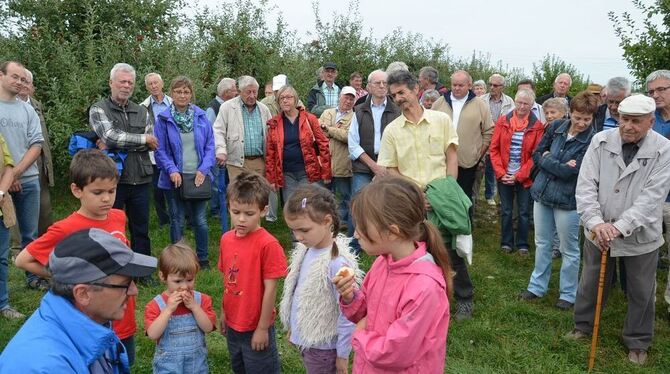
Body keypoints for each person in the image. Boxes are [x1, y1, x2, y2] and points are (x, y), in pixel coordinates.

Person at [567, 95, 670, 366]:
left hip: (640, 233)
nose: (628, 126)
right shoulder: (600, 141)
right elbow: (586, 183)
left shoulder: (664, 150)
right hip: (598, 229)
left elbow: (652, 198)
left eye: (636, 121)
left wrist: (619, 227)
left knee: (641, 289)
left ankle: (638, 341)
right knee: (589, 280)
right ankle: (582, 325)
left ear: (651, 121)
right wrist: (596, 222)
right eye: (625, 119)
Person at [14, 149, 141, 365]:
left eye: (112, 191)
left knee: (123, 363)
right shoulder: (65, 228)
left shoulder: (118, 216)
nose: (107, 198)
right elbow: (23, 260)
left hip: (122, 312)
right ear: (76, 190)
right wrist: (70, 276)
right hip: (91, 317)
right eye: (98, 192)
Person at [332, 176, 451, 373]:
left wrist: (359, 334)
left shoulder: (425, 287)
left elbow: (396, 353)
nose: (356, 234)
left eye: (362, 227)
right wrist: (350, 296)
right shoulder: (383, 263)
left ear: (392, 232)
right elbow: (368, 312)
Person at [0, 228, 157, 373]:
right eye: (125, 285)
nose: (134, 291)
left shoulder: (90, 321)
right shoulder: (49, 367)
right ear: (83, 294)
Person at [519, 92, 598, 310]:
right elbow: (537, 154)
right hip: (542, 193)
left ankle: (568, 294)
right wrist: (557, 164)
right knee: (542, 242)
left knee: (568, 248)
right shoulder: (555, 128)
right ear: (570, 112)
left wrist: (548, 160)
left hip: (568, 200)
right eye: (578, 117)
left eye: (587, 119)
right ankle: (536, 287)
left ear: (593, 118)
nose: (581, 123)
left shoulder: (593, 140)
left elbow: (574, 172)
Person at [280, 184, 358, 374]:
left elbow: (347, 312)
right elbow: (300, 293)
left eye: (304, 230)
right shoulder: (307, 249)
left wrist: (342, 354)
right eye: (293, 230)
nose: (298, 237)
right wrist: (295, 327)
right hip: (309, 340)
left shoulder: (336, 263)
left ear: (327, 221)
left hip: (325, 347)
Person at [218, 171, 288, 373]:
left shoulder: (268, 245)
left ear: (264, 211)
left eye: (249, 214)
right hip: (233, 324)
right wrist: (225, 313)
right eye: (235, 211)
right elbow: (228, 281)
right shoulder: (226, 239)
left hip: (256, 325)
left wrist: (263, 328)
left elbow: (270, 289)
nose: (241, 219)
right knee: (238, 368)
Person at [89, 63, 157, 265]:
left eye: (130, 82)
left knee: (141, 228)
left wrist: (119, 142)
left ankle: (142, 269)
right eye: (122, 81)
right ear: (111, 83)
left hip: (140, 179)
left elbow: (153, 142)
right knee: (111, 227)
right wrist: (141, 140)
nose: (126, 86)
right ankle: (114, 268)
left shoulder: (142, 111)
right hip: (112, 181)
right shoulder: (98, 108)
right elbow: (110, 136)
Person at [154, 76, 215, 269]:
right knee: (177, 220)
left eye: (186, 91)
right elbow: (159, 149)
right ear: (172, 94)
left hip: (198, 177)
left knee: (201, 221)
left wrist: (204, 169)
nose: (182, 95)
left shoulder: (201, 116)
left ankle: (203, 259)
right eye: (178, 91)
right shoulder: (163, 119)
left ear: (191, 94)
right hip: (175, 180)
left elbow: (210, 146)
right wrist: (172, 170)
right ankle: (178, 260)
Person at [0, 61, 45, 290]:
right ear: (1, 76)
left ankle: (33, 278)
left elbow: (36, 144)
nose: (19, 82)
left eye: (22, 79)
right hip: (0, 185)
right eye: (15, 77)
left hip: (28, 179)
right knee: (3, 240)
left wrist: (15, 173)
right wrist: (6, 179)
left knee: (31, 233)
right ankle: (3, 292)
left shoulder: (27, 108)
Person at [213, 75, 277, 222]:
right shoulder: (228, 107)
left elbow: (270, 134)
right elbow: (218, 131)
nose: (252, 96)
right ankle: (237, 235)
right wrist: (221, 150)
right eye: (248, 92)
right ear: (240, 91)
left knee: (257, 200)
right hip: (236, 162)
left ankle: (255, 235)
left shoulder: (263, 109)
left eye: (255, 92)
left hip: (259, 162)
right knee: (239, 199)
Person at [145, 243, 216, 374]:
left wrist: (195, 307)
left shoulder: (202, 300)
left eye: (189, 280)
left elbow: (208, 328)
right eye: (178, 281)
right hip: (168, 368)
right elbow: (153, 334)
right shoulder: (156, 305)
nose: (184, 286)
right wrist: (168, 310)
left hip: (196, 367)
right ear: (163, 277)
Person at [489, 89, 544, 255]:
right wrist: (500, 172)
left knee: (523, 211)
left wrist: (519, 176)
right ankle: (506, 242)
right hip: (504, 174)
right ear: (514, 102)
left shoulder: (537, 126)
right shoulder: (503, 121)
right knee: (506, 210)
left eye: (525, 103)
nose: (521, 106)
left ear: (531, 105)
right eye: (519, 102)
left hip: (524, 177)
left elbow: (535, 155)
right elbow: (494, 149)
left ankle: (522, 243)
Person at [432, 69, 494, 210]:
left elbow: (489, 131)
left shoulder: (480, 105)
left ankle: (464, 229)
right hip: (440, 160)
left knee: (464, 198)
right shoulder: (439, 103)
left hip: (467, 162)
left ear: (469, 86)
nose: (457, 88)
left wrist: (479, 154)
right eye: (454, 85)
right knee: (441, 196)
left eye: (461, 85)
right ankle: (442, 229)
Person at [265, 85, 332, 204]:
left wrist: (326, 171)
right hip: (287, 173)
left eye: (288, 97)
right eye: (281, 98)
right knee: (291, 207)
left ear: (295, 100)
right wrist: (271, 178)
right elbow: (271, 153)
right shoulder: (275, 123)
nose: (285, 100)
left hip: (308, 172)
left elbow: (323, 144)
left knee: (308, 206)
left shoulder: (309, 119)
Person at [17, 68, 54, 236]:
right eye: (21, 81)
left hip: (40, 161)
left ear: (32, 87)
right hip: (18, 164)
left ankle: (45, 241)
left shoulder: (35, 105)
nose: (24, 85)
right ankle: (19, 248)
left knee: (44, 206)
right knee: (20, 206)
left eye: (28, 82)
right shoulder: (8, 104)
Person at [645, 70, 670, 319]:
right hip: (647, 198)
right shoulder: (647, 119)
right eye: (651, 91)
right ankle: (646, 300)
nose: (656, 95)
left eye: (662, 89)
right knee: (646, 252)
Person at [320, 86, 356, 231]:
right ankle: (326, 222)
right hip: (325, 163)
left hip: (343, 164)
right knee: (325, 195)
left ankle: (342, 223)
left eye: (351, 99)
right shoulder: (327, 112)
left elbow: (349, 137)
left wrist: (328, 129)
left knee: (344, 196)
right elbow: (317, 132)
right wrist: (335, 131)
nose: (348, 101)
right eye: (346, 97)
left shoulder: (355, 117)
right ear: (339, 97)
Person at [140, 72, 172, 227]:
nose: (153, 86)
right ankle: (163, 219)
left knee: (177, 185)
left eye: (156, 83)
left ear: (162, 84)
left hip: (174, 151)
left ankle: (181, 216)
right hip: (154, 153)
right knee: (158, 188)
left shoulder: (174, 103)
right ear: (147, 87)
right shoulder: (143, 107)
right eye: (150, 84)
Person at [206, 77, 237, 230]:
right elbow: (209, 132)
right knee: (217, 183)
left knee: (224, 182)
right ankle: (215, 210)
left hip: (227, 152)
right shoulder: (213, 108)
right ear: (226, 93)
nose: (237, 92)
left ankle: (224, 208)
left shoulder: (229, 106)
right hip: (216, 154)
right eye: (234, 90)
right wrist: (217, 152)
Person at [480, 74, 515, 206]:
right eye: (490, 84)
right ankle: (476, 196)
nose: (492, 87)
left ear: (502, 87)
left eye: (495, 85)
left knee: (494, 168)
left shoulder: (509, 102)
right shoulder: (481, 99)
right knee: (480, 168)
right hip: (484, 137)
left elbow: (512, 120)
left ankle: (493, 196)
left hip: (501, 140)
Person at [0, 130, 19, 318]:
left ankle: (3, 304)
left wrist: (1, 193)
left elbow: (8, 167)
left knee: (1, 259)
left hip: (0, 208)